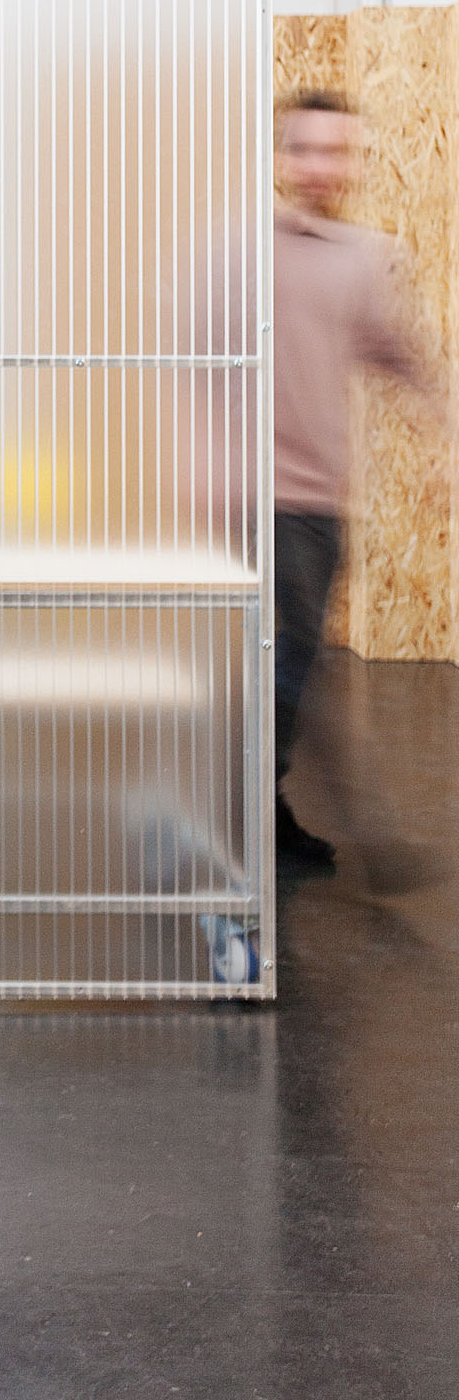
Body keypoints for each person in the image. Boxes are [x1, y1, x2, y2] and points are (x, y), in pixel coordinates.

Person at [269, 91, 448, 872]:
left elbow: (400, 353)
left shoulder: (363, 257)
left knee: (297, 663)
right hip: (239, 498)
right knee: (279, 668)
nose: (321, 166)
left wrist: (446, 433)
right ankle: (361, 836)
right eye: (307, 149)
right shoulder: (236, 248)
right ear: (283, 157)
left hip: (313, 502)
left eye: (337, 152)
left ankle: (258, 809)